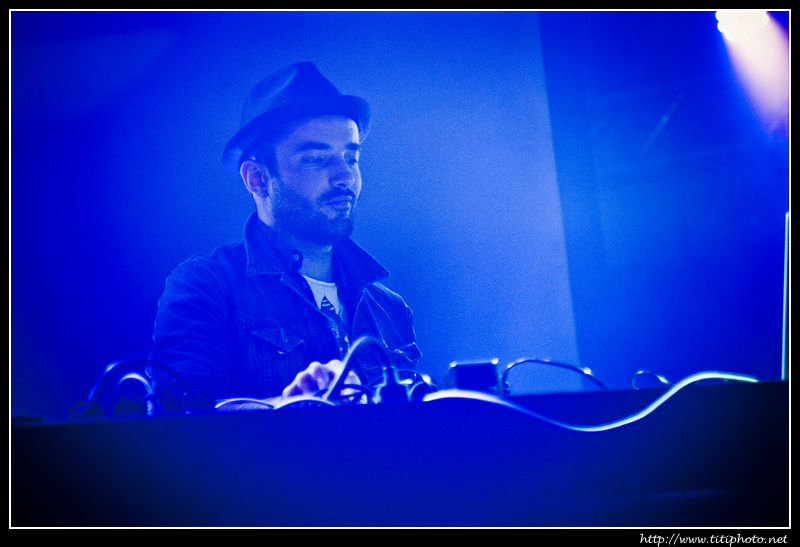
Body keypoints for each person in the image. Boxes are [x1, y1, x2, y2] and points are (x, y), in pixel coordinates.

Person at [148, 62, 421, 410]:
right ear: (257, 179)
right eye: (317, 159)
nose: (345, 176)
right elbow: (179, 419)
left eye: (351, 158)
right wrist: (287, 407)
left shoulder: (390, 309)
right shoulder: (206, 285)